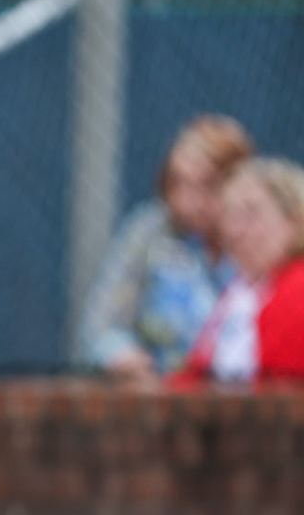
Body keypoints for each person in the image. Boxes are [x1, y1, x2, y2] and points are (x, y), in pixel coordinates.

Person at [79, 115, 255, 387]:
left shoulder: (257, 241)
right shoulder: (149, 234)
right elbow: (101, 330)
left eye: (207, 185)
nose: (188, 201)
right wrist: (127, 360)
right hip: (159, 400)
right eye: (179, 183)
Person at [172, 157, 304, 386]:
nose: (235, 231)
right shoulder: (241, 291)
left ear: (292, 219)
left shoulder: (297, 288)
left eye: (251, 214)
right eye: (229, 216)